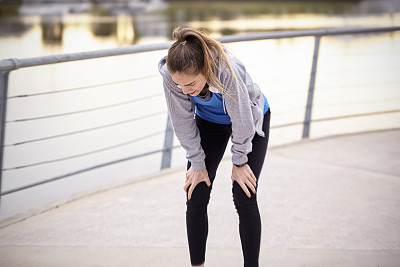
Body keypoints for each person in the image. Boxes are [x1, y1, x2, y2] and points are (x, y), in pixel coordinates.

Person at [158, 27, 271, 267]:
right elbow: (182, 122)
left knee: (244, 193)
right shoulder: (172, 77)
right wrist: (197, 164)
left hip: (250, 118)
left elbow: (242, 121)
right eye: (181, 86)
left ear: (204, 70)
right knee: (196, 191)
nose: (186, 91)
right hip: (211, 122)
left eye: (191, 84)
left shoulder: (224, 70)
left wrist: (239, 161)